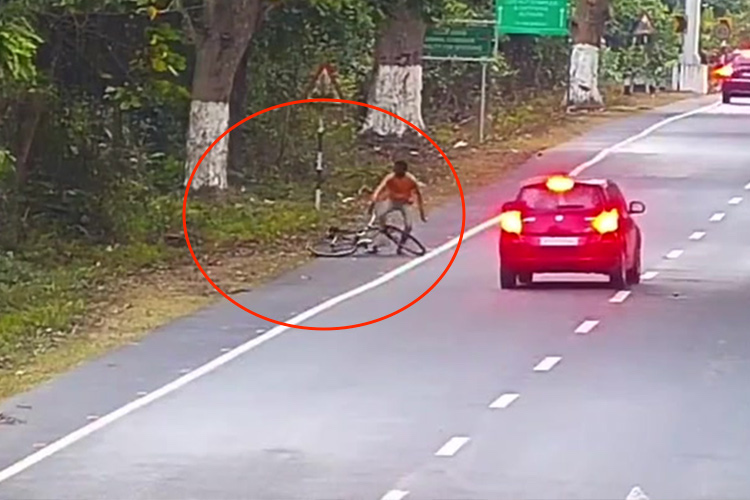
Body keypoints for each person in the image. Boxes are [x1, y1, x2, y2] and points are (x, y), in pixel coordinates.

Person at [367, 160, 427, 254]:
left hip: (405, 203)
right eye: (395, 169)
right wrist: (372, 202)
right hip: (392, 201)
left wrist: (422, 213)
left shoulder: (411, 179)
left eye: (398, 170)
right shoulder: (390, 178)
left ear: (404, 170)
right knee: (380, 215)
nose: (396, 171)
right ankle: (382, 234)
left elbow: (418, 195)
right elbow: (379, 189)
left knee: (408, 225)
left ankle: (401, 245)